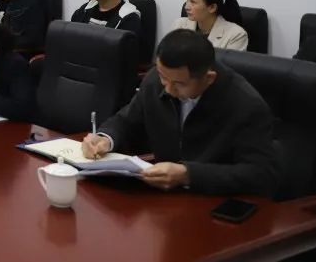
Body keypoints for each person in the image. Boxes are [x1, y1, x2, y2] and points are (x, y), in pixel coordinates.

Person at [81, 29, 279, 196]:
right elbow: (127, 120)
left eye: (179, 84)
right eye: (163, 76)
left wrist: (188, 174)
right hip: (163, 198)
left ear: (208, 78)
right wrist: (105, 138)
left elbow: (260, 174)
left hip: (213, 204)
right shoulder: (158, 79)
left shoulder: (245, 104)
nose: (167, 89)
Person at [171, 0, 248, 50]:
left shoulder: (236, 35)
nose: (186, 7)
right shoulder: (179, 25)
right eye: (187, 0)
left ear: (212, 8)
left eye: (193, 2)